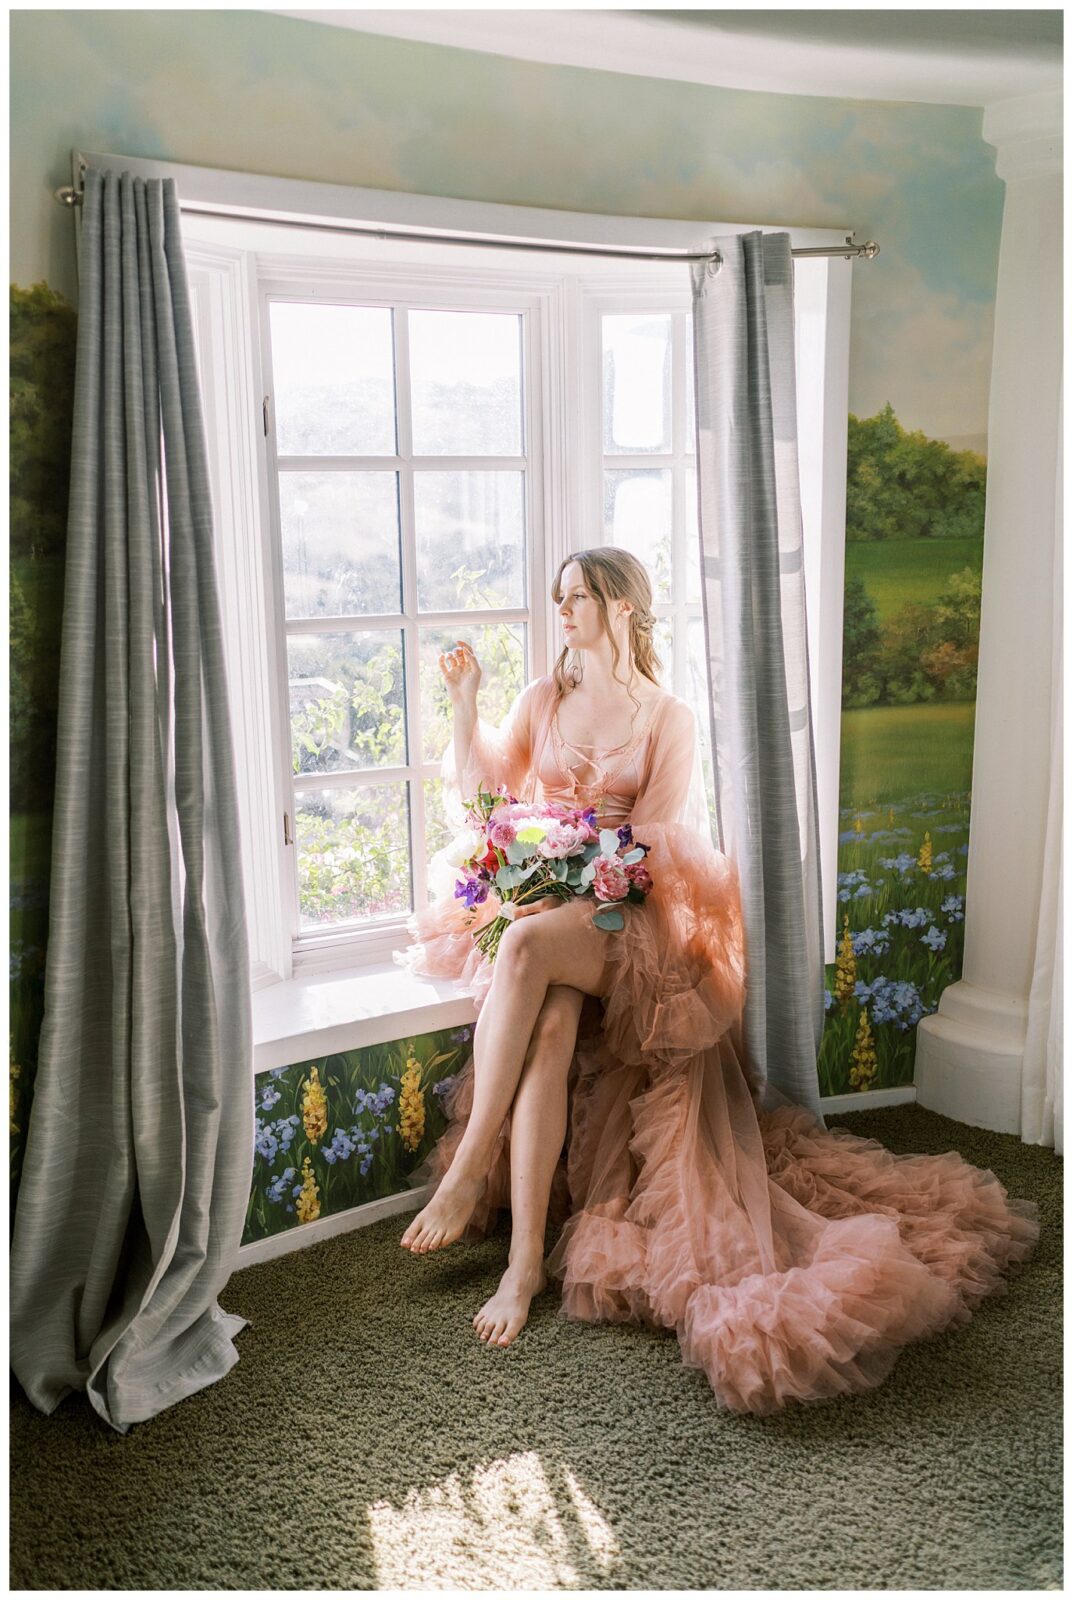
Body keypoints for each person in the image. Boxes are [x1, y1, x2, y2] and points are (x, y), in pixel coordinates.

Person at [394, 547, 1040, 1415]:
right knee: (546, 1022)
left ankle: (469, 1168)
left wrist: (576, 861)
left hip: (624, 919)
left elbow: (652, 851)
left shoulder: (667, 716)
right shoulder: (539, 699)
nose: (564, 611)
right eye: (559, 598)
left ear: (623, 606)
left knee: (522, 952)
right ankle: (521, 1269)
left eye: (579, 597)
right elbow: (483, 797)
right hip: (549, 912)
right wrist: (466, 706)